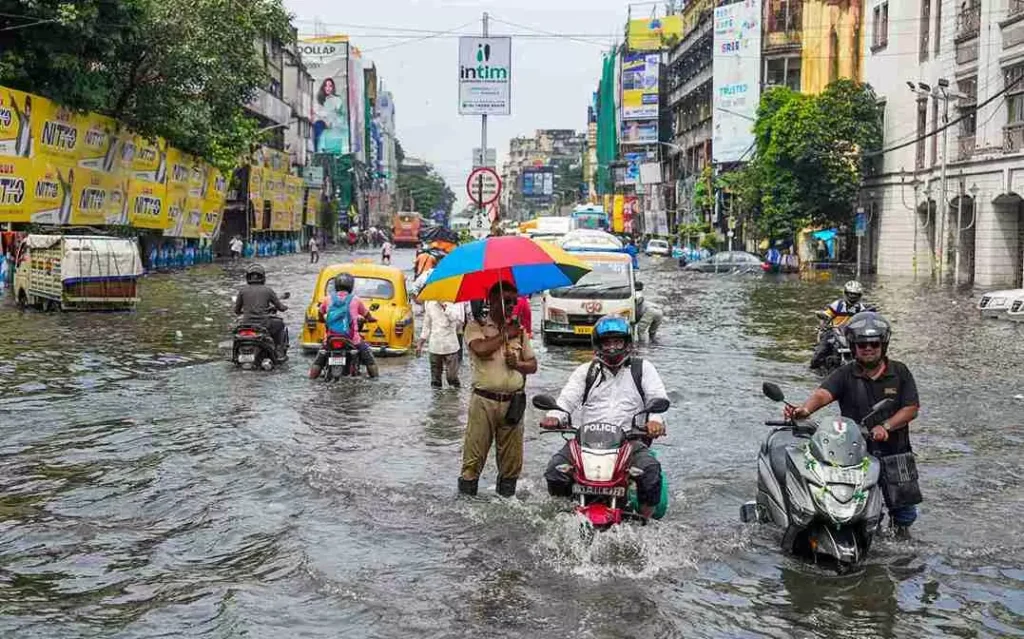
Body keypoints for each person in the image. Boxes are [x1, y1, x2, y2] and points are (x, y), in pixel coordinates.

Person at [784, 312, 922, 538]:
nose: (868, 348)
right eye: (862, 344)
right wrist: (805, 410)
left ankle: (901, 547)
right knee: (856, 509)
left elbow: (911, 409)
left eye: (874, 344)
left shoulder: (900, 372)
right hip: (855, 456)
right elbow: (823, 393)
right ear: (853, 346)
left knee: (904, 516)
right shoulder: (845, 373)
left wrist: (885, 426)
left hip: (895, 453)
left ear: (883, 345)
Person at [541, 315, 669, 519]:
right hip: (585, 443)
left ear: (627, 343)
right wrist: (554, 416)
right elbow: (566, 400)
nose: (612, 347)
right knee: (554, 471)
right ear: (598, 344)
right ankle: (564, 516)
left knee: (651, 473)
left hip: (629, 441)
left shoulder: (643, 369)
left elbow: (657, 398)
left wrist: (655, 421)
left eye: (617, 341)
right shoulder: (586, 371)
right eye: (607, 342)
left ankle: (646, 522)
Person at [458, 281, 538, 498]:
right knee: (473, 459)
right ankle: (466, 506)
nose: (512, 306)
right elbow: (481, 349)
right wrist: (505, 335)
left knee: (512, 462)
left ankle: (506, 502)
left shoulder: (520, 332)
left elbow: (533, 365)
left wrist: (518, 364)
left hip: (513, 402)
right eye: (507, 301)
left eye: (514, 301)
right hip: (484, 401)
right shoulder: (476, 326)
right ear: (492, 301)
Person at [308, 273, 379, 379]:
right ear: (351, 286)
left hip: (331, 338)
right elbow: (366, 315)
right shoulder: (356, 300)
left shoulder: (328, 299)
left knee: (321, 355)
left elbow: (320, 313)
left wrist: (321, 319)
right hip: (351, 339)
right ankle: (375, 378)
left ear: (336, 285)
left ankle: (311, 379)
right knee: (367, 354)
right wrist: (371, 319)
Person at [811, 280, 868, 369]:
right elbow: (826, 315)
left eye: (855, 294)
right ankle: (813, 368)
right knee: (820, 353)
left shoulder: (861, 308)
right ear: (845, 293)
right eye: (850, 294)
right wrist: (823, 325)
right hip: (834, 332)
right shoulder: (838, 305)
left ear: (859, 296)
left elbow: (865, 320)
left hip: (852, 334)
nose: (852, 296)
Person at [233, 264, 288, 352]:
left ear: (248, 277)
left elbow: (236, 310)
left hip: (245, 324)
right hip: (263, 324)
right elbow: (280, 307)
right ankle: (279, 350)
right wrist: (285, 307)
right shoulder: (268, 290)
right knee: (280, 324)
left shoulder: (242, 291)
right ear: (263, 277)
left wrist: (243, 312)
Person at [417, 300, 464, 388]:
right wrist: (420, 344)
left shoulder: (454, 303)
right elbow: (426, 326)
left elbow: (457, 319)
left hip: (450, 346)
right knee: (435, 381)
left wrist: (444, 307)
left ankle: (455, 398)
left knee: (452, 378)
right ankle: (436, 400)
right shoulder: (429, 304)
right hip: (435, 345)